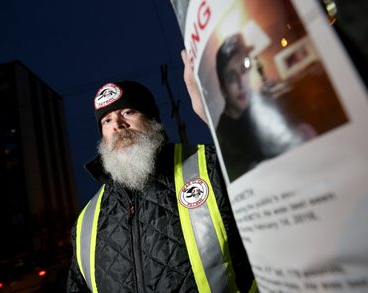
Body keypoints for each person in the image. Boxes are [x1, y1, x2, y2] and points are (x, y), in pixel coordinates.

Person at [66, 80, 256, 292]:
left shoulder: (211, 167)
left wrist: (227, 125)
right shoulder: (87, 221)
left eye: (128, 112)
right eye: (106, 120)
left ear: (152, 119)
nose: (117, 125)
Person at [214, 33, 316, 181]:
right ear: (223, 89)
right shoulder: (223, 138)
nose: (241, 83)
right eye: (231, 77)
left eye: (244, 69)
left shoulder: (262, 104)